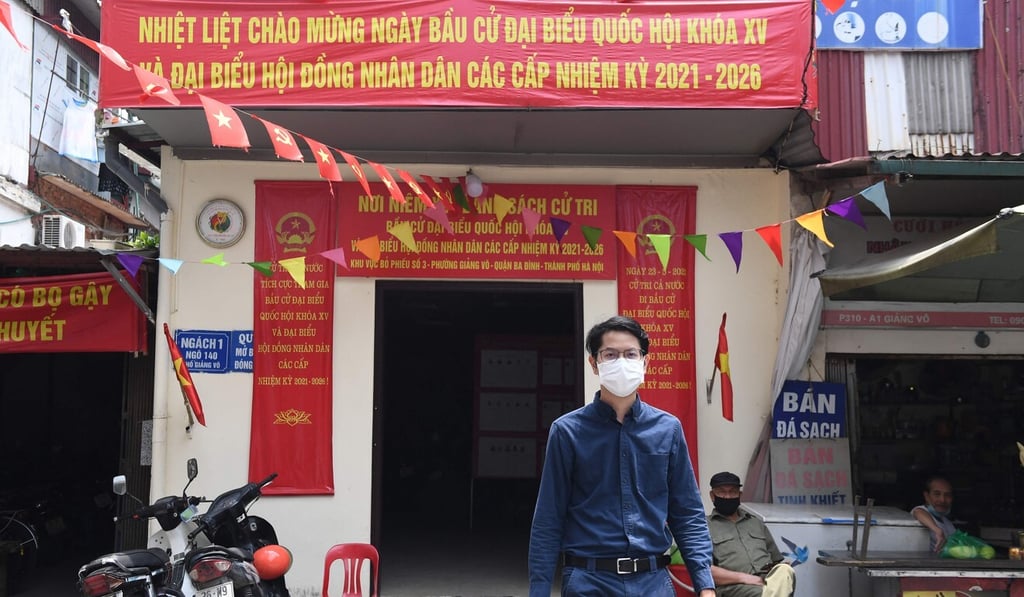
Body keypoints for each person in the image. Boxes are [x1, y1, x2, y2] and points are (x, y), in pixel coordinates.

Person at [528, 315, 715, 597]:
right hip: (589, 581)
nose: (622, 361)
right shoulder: (567, 432)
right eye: (610, 354)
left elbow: (687, 513)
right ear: (594, 363)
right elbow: (548, 518)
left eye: (630, 354)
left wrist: (705, 584)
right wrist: (539, 590)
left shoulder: (668, 429)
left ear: (645, 362)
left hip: (653, 582)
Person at [707, 471, 795, 597]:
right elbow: (705, 572)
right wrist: (745, 578)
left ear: (740, 495)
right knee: (764, 593)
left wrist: (779, 567)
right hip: (734, 587)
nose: (727, 496)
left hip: (768, 581)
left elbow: (776, 560)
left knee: (785, 571)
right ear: (712, 495)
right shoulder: (705, 527)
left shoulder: (756, 522)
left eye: (732, 492)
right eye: (721, 492)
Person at [911, 474, 957, 552]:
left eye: (947, 495)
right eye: (937, 494)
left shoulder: (947, 523)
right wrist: (937, 530)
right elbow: (918, 512)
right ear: (927, 496)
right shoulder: (921, 511)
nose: (942, 500)